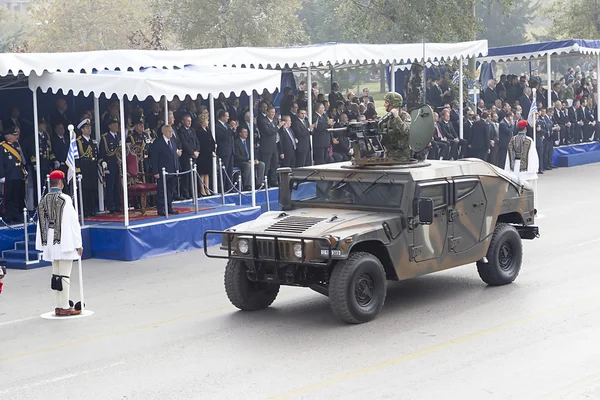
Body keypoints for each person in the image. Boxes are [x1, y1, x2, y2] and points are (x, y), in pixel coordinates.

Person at [35, 170, 83, 317]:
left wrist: (42, 245)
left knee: (56, 274)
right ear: (61, 182)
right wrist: (78, 243)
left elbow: (41, 224)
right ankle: (64, 306)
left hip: (50, 240)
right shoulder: (65, 199)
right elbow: (73, 223)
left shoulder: (43, 200)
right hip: (64, 240)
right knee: (64, 274)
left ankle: (58, 304)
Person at [151, 125, 180, 216]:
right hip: (162, 171)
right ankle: (161, 208)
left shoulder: (172, 141)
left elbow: (175, 156)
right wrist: (155, 171)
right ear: (164, 132)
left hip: (172, 171)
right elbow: (154, 158)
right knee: (161, 191)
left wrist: (177, 168)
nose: (171, 133)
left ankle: (169, 207)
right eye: (169, 131)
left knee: (170, 190)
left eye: (171, 131)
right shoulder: (158, 142)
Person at [380, 92, 411, 162]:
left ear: (393, 103)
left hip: (401, 157)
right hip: (388, 156)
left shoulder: (405, 116)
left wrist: (397, 117)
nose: (384, 105)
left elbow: (405, 131)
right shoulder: (387, 118)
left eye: (386, 102)